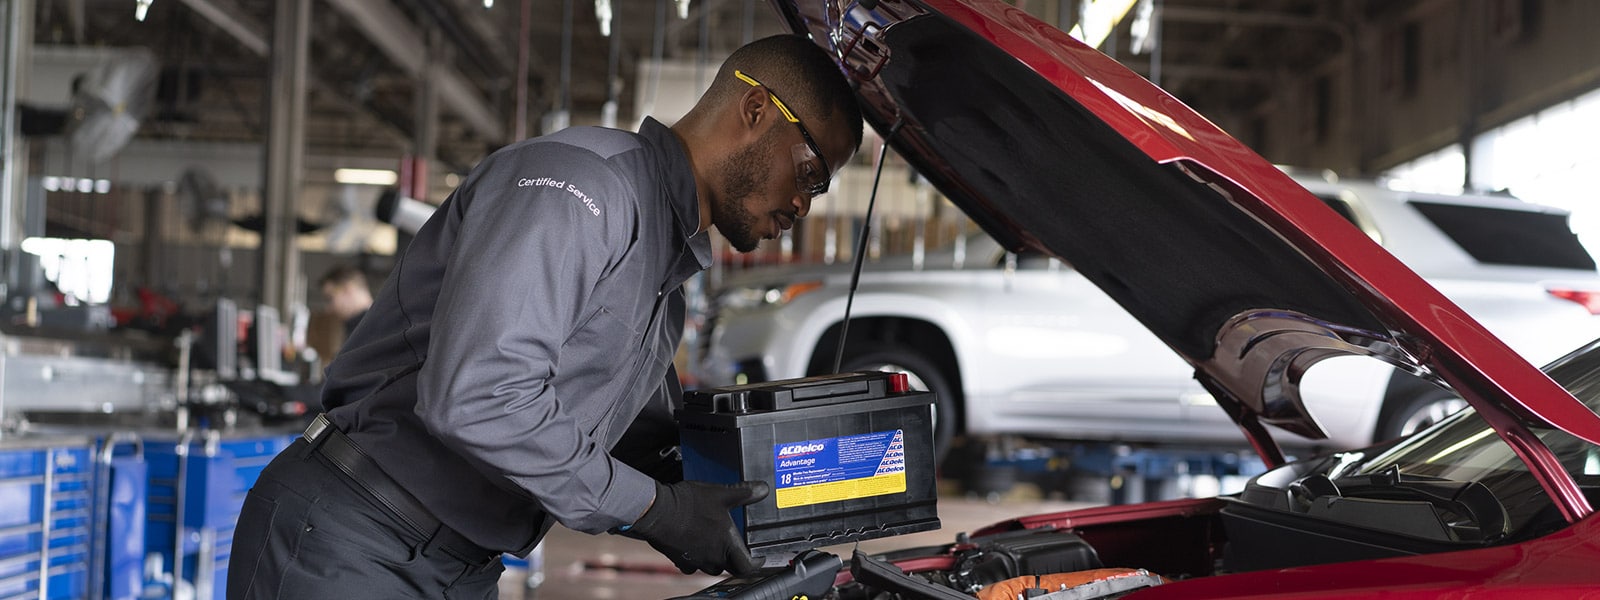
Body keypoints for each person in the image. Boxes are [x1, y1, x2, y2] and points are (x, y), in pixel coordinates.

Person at [227, 34, 863, 599]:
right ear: (756, 110)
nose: (805, 205)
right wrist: (653, 509)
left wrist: (747, 486)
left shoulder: (662, 274)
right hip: (356, 539)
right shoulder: (582, 190)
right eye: (811, 173)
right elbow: (478, 398)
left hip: (456, 565)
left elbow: (624, 440)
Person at [317, 264, 373, 338]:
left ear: (347, 289)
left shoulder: (368, 329)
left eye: (330, 298)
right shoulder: (364, 325)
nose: (329, 308)